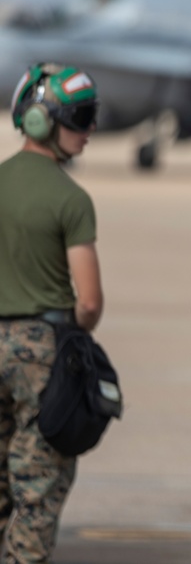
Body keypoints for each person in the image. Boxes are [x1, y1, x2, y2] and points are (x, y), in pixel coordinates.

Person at [0, 63, 103, 561]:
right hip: (41, 351)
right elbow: (88, 302)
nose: (89, 131)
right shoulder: (71, 199)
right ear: (42, 121)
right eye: (80, 118)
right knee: (38, 491)